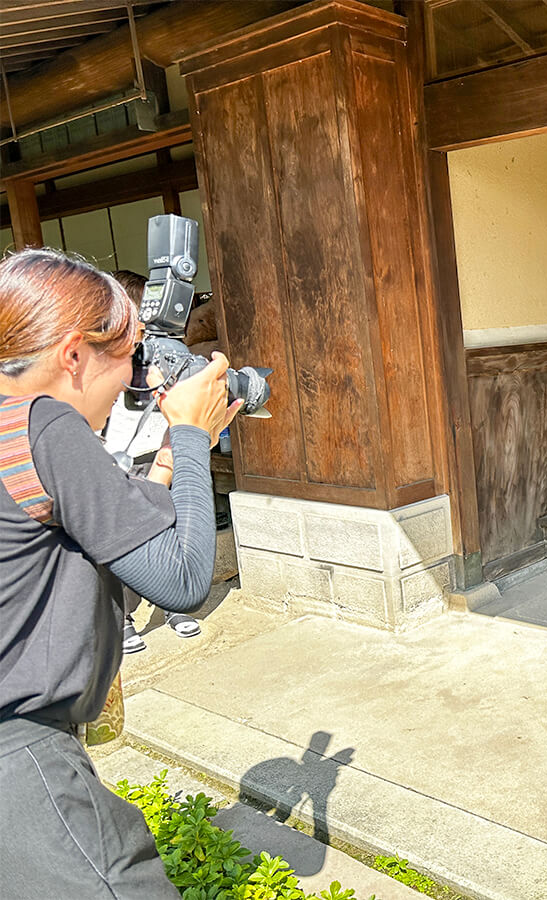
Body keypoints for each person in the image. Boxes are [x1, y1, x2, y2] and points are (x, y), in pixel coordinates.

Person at [0, 248, 239, 896]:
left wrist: (167, 460)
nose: (138, 378)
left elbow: (99, 540)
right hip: (24, 766)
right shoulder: (44, 424)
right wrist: (191, 436)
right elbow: (184, 581)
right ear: (73, 355)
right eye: (129, 357)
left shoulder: (11, 430)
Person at [109, 269, 203, 651]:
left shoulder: (164, 355)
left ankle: (174, 604)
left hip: (162, 449)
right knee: (126, 540)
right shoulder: (111, 362)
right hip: (121, 458)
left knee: (170, 530)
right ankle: (124, 616)